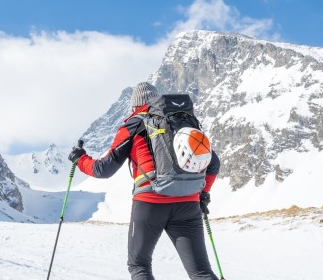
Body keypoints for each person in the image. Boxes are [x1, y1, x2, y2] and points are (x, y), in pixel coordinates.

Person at [68, 82, 220, 280]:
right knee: (201, 271)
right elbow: (213, 163)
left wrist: (80, 159)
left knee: (139, 266)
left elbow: (103, 169)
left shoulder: (133, 124)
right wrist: (203, 194)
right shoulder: (180, 123)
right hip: (188, 203)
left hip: (150, 202)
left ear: (134, 105)